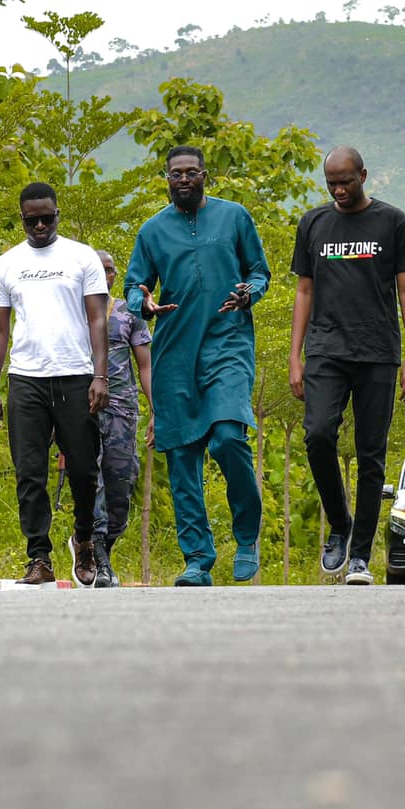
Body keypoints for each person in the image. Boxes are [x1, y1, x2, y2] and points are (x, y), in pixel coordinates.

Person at [125, 145, 269, 587]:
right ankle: (197, 559)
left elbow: (260, 273)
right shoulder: (152, 231)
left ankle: (247, 537)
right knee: (182, 456)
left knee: (228, 438)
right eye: (175, 174)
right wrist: (144, 301)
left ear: (205, 176)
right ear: (166, 178)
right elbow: (135, 284)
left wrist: (250, 292)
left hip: (227, 342)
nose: (183, 179)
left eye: (191, 172)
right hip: (174, 352)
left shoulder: (235, 217)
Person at [287, 146, 405, 586]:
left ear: (364, 175)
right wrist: (295, 356)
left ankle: (361, 555)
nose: (339, 190)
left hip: (378, 350)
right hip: (326, 348)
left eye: (346, 181)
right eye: (332, 184)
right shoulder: (313, 223)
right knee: (318, 435)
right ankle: (340, 523)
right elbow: (304, 290)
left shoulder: (392, 221)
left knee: (371, 454)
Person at [0, 182, 111, 585]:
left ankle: (85, 540)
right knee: (29, 471)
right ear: (21, 218)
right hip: (27, 377)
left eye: (47, 218)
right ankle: (38, 556)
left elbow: (98, 318)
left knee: (83, 469)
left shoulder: (81, 257)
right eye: (31, 219)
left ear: (58, 214)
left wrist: (100, 374)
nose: (40, 225)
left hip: (75, 374)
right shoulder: (7, 263)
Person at [91, 248, 152, 588]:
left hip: (123, 411)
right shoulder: (73, 311)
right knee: (92, 483)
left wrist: (156, 410)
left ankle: (103, 549)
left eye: (110, 269)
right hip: (83, 410)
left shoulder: (129, 312)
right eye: (97, 268)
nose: (104, 274)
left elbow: (144, 364)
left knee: (120, 487)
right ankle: (97, 555)